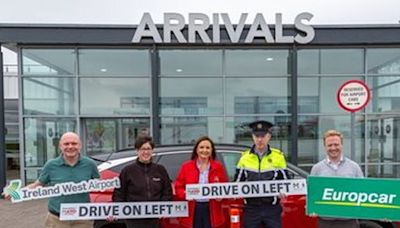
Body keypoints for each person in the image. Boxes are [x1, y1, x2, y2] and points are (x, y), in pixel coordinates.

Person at [4, 132, 100, 228]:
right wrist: (17, 193)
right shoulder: (51, 165)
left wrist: (109, 209)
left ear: (80, 145)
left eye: (74, 143)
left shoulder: (90, 164)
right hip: (57, 219)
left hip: (82, 220)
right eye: (66, 144)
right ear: (60, 146)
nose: (70, 147)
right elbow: (37, 185)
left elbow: (100, 185)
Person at [235, 120, 289, 228]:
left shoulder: (278, 157)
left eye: (263, 136)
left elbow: (286, 181)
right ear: (252, 137)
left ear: (269, 137)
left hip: (272, 208)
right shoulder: (244, 158)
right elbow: (237, 183)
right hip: (251, 209)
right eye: (257, 136)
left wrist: (283, 191)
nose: (260, 139)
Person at [112, 135, 172, 228]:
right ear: (137, 151)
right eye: (142, 149)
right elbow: (119, 194)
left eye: (148, 149)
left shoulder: (160, 170)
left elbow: (167, 191)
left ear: (152, 151)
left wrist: (163, 207)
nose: (146, 152)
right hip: (133, 218)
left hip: (155, 218)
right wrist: (117, 210)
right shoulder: (128, 171)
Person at [310, 130, 363, 228]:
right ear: (325, 147)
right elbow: (312, 193)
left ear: (342, 145)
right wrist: (312, 208)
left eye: (336, 144)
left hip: (349, 222)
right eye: (329, 145)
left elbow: (363, 192)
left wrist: (381, 213)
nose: (333, 148)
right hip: (325, 222)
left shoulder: (354, 167)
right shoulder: (317, 168)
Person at [175, 136, 228, 228]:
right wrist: (185, 194)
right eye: (201, 147)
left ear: (212, 150)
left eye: (208, 148)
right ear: (196, 150)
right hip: (193, 208)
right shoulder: (186, 167)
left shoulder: (218, 167)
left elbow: (225, 187)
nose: (204, 150)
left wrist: (221, 196)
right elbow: (178, 187)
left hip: (212, 208)